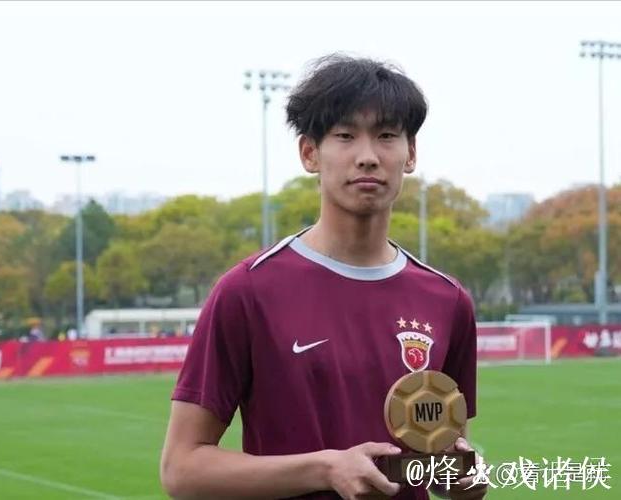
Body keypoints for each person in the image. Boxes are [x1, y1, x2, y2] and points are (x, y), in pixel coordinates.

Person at [160, 54, 486, 500]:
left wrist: (462, 478)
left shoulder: (447, 300)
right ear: (310, 153)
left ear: (410, 153)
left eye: (386, 136)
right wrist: (325, 468)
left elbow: (443, 458)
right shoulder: (248, 291)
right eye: (345, 136)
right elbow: (182, 469)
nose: (368, 157)